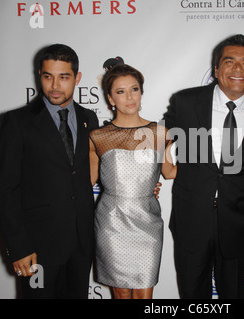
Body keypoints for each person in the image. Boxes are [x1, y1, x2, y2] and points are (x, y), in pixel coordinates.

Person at [163, 34, 244, 299]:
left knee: (233, 294)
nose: (237, 69)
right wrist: (157, 170)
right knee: (192, 294)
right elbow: (162, 136)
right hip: (192, 218)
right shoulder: (186, 102)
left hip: (239, 220)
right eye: (229, 61)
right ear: (216, 69)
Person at [0, 44, 99, 298]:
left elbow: (88, 172)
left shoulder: (89, 118)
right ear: (39, 75)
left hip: (80, 245)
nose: (54, 85)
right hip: (36, 248)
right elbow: (4, 190)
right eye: (47, 76)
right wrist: (18, 248)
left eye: (63, 77)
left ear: (77, 78)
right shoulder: (16, 121)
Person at [89, 60, 176, 299]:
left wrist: (211, 164)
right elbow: (87, 182)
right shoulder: (98, 136)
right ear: (110, 98)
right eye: (120, 91)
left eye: (134, 89)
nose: (129, 97)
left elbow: (169, 172)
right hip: (111, 222)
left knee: (144, 294)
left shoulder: (160, 133)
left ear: (141, 92)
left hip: (147, 220)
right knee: (120, 293)